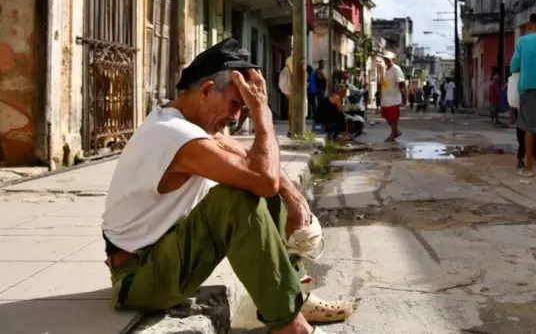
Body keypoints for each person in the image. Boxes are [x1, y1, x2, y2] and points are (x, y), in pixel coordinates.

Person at [101, 38, 352, 334]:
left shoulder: (188, 124)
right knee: (236, 199)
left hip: (161, 261)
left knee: (263, 186)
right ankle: (289, 325)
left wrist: (294, 198)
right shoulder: (173, 134)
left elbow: (251, 160)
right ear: (206, 91)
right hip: (138, 281)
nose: (236, 117)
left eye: (244, 109)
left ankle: (291, 295)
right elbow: (264, 180)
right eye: (236, 104)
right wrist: (263, 116)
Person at [510, 13, 536, 175]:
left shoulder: (522, 42)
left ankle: (529, 168)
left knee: (529, 127)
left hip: (528, 88)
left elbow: (514, 66)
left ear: (530, 25)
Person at [381, 55, 406, 142]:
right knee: (386, 116)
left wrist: (403, 96)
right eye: (385, 59)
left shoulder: (396, 69)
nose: (386, 60)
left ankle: (392, 134)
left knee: (393, 117)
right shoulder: (387, 70)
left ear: (392, 59)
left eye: (388, 59)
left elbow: (402, 83)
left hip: (393, 98)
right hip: (385, 98)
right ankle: (396, 131)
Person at [232, 48, 253, 135]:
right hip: (234, 91)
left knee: (246, 110)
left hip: (244, 90)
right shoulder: (233, 66)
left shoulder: (248, 67)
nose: (244, 59)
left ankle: (237, 128)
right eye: (242, 57)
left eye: (246, 57)